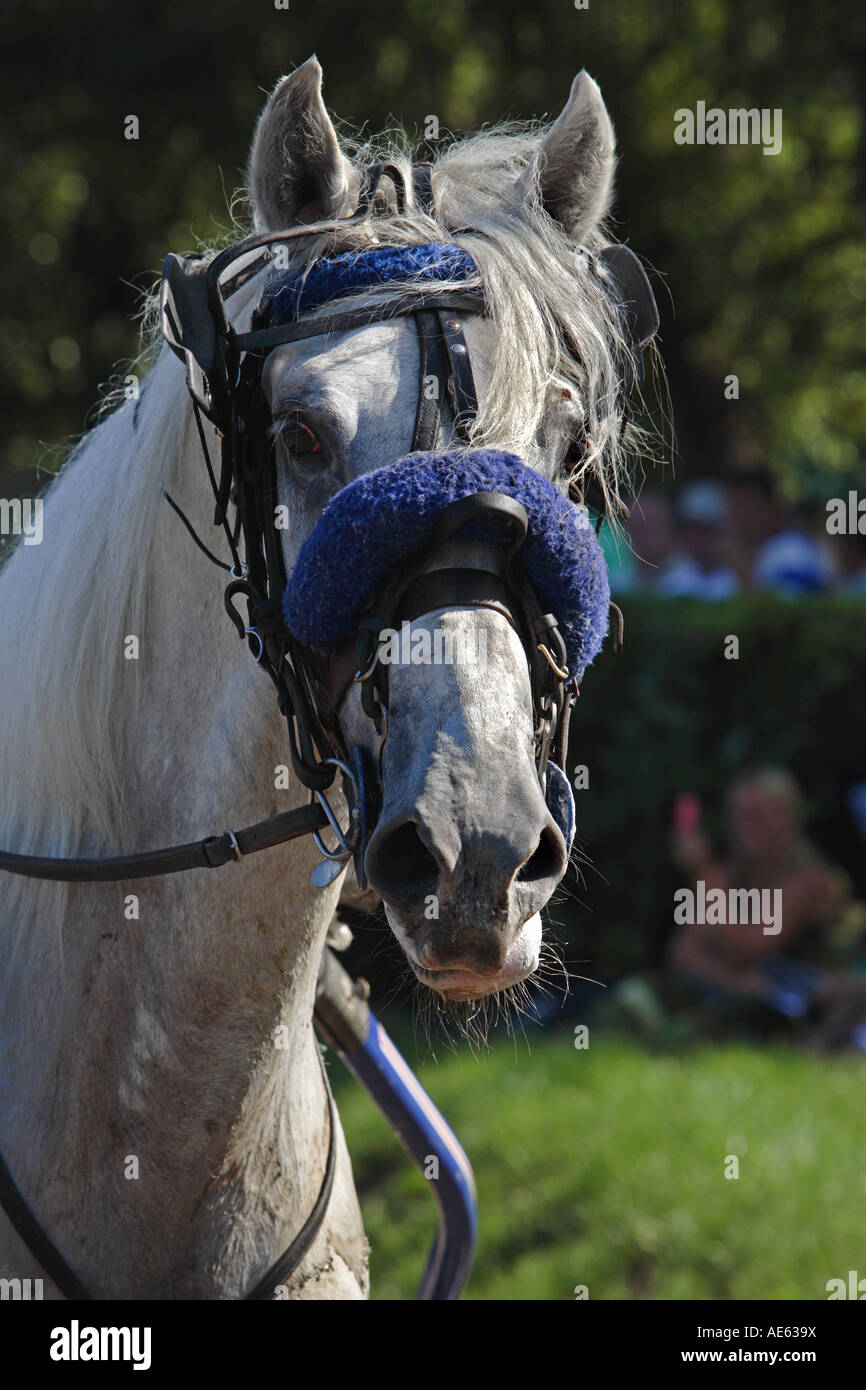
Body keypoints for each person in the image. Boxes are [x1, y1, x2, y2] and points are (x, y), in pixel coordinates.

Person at [667, 768, 866, 1048]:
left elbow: (746, 948)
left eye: (756, 815)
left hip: (827, 1009)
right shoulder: (735, 873)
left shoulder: (812, 878)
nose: (743, 825)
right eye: (736, 814)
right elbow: (685, 949)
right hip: (769, 1006)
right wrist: (740, 985)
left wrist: (702, 873)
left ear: (788, 819)